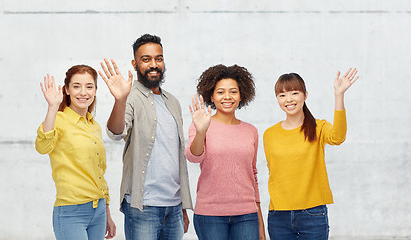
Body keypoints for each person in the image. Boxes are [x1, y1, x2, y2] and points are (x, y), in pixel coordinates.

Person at [99, 33, 193, 240]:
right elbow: (116, 132)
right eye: (146, 59)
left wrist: (183, 206)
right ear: (135, 63)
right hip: (143, 207)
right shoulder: (130, 97)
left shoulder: (173, 102)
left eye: (158, 58)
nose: (154, 64)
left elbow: (176, 158)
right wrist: (120, 100)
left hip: (174, 207)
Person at [263, 68, 359, 240]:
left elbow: (338, 137)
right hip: (278, 215)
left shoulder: (317, 127)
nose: (289, 99)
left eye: (294, 93)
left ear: (305, 95)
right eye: (282, 95)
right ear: (277, 98)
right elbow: (274, 172)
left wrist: (339, 95)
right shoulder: (269, 134)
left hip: (313, 214)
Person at [185, 64, 266, 240]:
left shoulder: (250, 131)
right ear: (211, 96)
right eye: (220, 92)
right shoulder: (201, 124)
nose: (227, 97)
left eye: (233, 91)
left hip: (246, 214)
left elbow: (253, 175)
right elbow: (193, 157)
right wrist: (201, 131)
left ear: (241, 95)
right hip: (210, 214)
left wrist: (260, 221)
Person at [35, 65, 116, 239]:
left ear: (95, 90)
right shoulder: (59, 119)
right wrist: (52, 107)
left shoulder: (94, 126)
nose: (83, 92)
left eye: (89, 86)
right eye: (76, 86)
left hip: (99, 210)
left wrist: (107, 213)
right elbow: (43, 147)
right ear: (67, 89)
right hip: (71, 211)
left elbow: (100, 173)